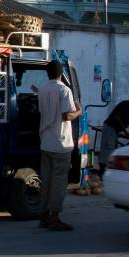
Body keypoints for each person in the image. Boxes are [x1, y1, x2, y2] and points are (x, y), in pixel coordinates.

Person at [38, 60, 82, 231]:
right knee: (58, 183)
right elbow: (66, 116)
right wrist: (79, 111)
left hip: (46, 142)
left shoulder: (42, 89)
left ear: (47, 73)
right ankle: (55, 217)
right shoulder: (64, 89)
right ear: (61, 72)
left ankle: (43, 216)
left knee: (46, 181)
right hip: (61, 143)